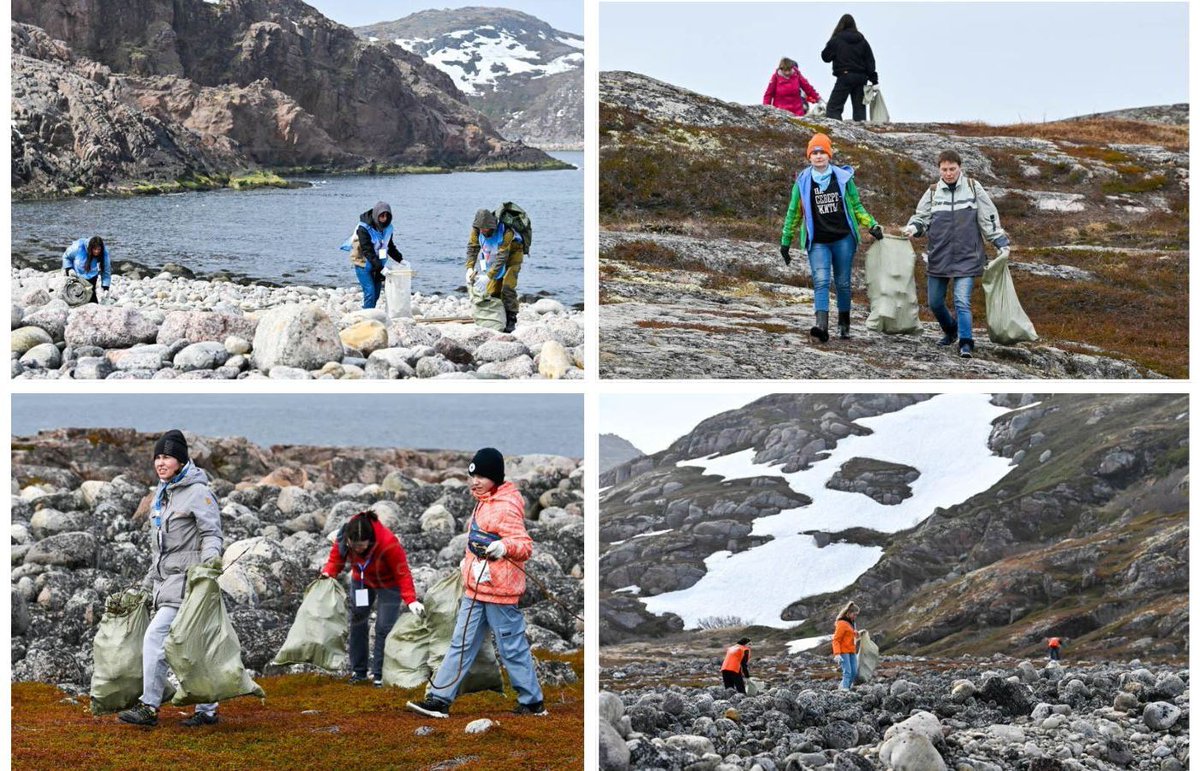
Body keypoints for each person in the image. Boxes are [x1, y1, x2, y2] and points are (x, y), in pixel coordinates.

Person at [406, 448, 547, 718]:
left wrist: (504, 547)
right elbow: (477, 540)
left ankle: (532, 702)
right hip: (476, 588)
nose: (475, 481)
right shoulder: (484, 500)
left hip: (500, 593)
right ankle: (438, 699)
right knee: (460, 643)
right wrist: (467, 562)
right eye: (472, 476)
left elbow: (525, 546)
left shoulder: (506, 505)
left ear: (495, 476)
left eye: (481, 476)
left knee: (511, 647)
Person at [118, 430, 223, 727]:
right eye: (158, 458)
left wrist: (208, 571)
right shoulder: (163, 495)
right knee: (193, 645)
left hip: (188, 581)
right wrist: (147, 584)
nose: (161, 463)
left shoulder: (198, 493)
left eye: (167, 457)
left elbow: (211, 534)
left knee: (155, 637)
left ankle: (149, 707)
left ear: (181, 460)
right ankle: (207, 710)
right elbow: (160, 549)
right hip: (166, 581)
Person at [901, 149, 1011, 359]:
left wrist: (1000, 242)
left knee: (962, 300)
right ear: (939, 170)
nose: (949, 173)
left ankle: (966, 342)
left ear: (960, 168)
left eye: (952, 169)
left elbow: (988, 218)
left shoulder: (973, 187)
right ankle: (951, 330)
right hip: (939, 256)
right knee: (934, 302)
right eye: (945, 169)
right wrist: (912, 229)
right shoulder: (933, 192)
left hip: (967, 256)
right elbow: (921, 218)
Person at [780, 132, 884, 341]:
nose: (818, 156)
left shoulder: (843, 178)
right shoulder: (802, 182)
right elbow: (794, 212)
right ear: (809, 156)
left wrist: (871, 224)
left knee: (843, 283)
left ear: (829, 155)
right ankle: (821, 327)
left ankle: (844, 324)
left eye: (822, 152)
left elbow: (856, 205)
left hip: (843, 239)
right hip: (818, 241)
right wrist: (785, 241)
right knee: (821, 280)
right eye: (814, 152)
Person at [320, 511, 424, 686]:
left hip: (389, 584)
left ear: (370, 540)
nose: (357, 549)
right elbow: (336, 558)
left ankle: (379, 674)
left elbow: (403, 572)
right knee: (358, 621)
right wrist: (328, 574)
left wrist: (410, 600)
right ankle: (358, 672)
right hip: (361, 580)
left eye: (361, 546)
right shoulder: (346, 536)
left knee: (384, 627)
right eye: (354, 546)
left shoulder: (388, 543)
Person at [466, 208, 525, 333]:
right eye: (480, 229)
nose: (482, 231)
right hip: (491, 254)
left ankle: (511, 319)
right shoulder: (477, 230)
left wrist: (489, 276)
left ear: (492, 227)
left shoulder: (506, 232)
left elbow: (502, 257)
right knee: (493, 291)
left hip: (513, 254)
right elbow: (473, 248)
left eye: (485, 229)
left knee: (507, 286)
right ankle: (497, 318)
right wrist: (470, 267)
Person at [342, 201, 404, 309]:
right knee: (369, 292)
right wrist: (381, 268)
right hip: (363, 263)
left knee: (376, 294)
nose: (384, 218)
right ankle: (367, 318)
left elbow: (390, 246)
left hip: (378, 264)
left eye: (386, 216)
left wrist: (400, 260)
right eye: (382, 216)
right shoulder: (363, 229)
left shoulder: (388, 228)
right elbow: (367, 251)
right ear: (376, 215)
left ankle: (368, 311)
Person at [820, 14, 877, 121]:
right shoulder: (862, 41)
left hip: (845, 75)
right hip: (861, 77)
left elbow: (825, 57)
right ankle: (861, 134)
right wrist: (874, 80)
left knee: (833, 108)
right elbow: (870, 61)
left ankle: (836, 132)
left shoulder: (837, 39)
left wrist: (831, 44)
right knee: (859, 109)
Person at [61, 235, 112, 304]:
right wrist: (69, 269)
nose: (97, 252)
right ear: (90, 248)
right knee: (74, 298)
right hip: (76, 275)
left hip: (92, 277)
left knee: (92, 301)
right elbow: (66, 256)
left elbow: (106, 271)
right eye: (94, 249)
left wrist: (106, 288)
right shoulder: (78, 247)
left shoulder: (104, 253)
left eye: (99, 249)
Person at [833, 601, 864, 690]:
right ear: (848, 613)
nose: (855, 617)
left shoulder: (852, 623)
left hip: (851, 651)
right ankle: (844, 690)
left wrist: (857, 634)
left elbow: (850, 635)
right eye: (854, 614)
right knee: (847, 672)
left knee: (854, 672)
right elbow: (836, 639)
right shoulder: (842, 624)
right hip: (843, 651)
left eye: (856, 615)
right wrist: (837, 654)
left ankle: (846, 688)